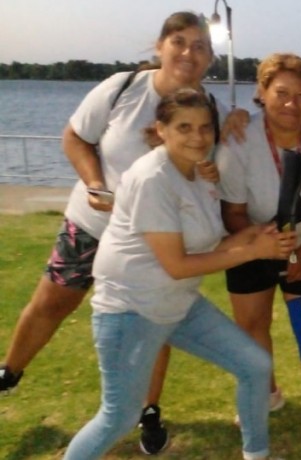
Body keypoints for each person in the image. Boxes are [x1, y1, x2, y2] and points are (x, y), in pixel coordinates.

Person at [0, 11, 231, 455]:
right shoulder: (123, 87)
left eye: (199, 45)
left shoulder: (211, 110)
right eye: (179, 41)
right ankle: (9, 372)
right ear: (159, 47)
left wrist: (231, 133)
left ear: (209, 58)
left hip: (155, 241)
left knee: (153, 323)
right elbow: (74, 137)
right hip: (92, 224)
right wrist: (94, 183)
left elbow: (205, 167)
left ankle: (149, 409)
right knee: (51, 302)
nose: (188, 52)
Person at [63, 88, 294, 460]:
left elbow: (207, 244)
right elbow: (177, 265)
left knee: (255, 365)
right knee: (118, 418)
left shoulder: (199, 174)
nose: (198, 137)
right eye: (184, 127)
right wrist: (252, 251)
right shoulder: (152, 177)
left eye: (205, 127)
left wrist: (254, 233)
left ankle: (257, 455)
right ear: (161, 129)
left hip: (177, 303)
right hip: (130, 310)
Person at [216, 52, 301, 460]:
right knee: (252, 324)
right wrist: (264, 243)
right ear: (261, 93)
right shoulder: (240, 141)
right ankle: (267, 392)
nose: (291, 104)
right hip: (253, 238)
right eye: (281, 93)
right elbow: (233, 212)